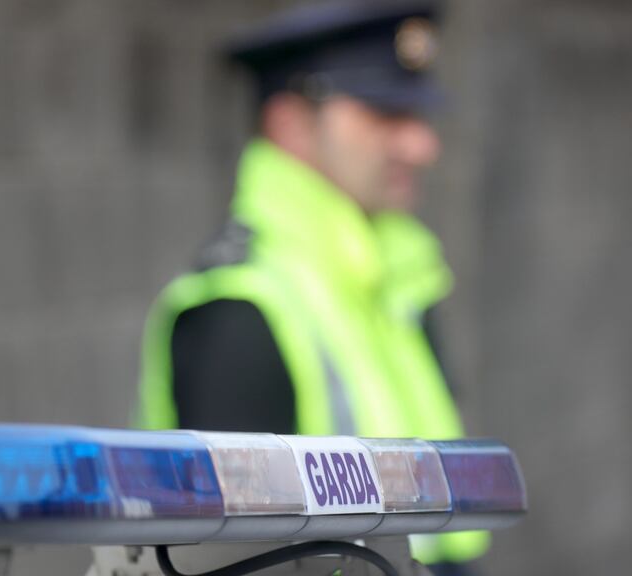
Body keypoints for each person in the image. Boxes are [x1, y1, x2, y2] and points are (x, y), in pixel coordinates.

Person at [137, 0, 488, 570]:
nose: (423, 147)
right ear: (290, 123)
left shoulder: (397, 285)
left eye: (419, 120)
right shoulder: (240, 308)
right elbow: (237, 563)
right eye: (385, 115)